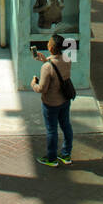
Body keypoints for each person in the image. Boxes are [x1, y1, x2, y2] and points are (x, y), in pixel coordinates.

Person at [31, 34, 74, 167]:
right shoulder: (67, 59)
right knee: (66, 125)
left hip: (51, 103)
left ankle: (51, 158)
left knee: (51, 130)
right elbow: (58, 69)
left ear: (50, 48)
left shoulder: (47, 68)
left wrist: (33, 83)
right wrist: (46, 60)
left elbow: (42, 88)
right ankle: (66, 154)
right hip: (65, 100)